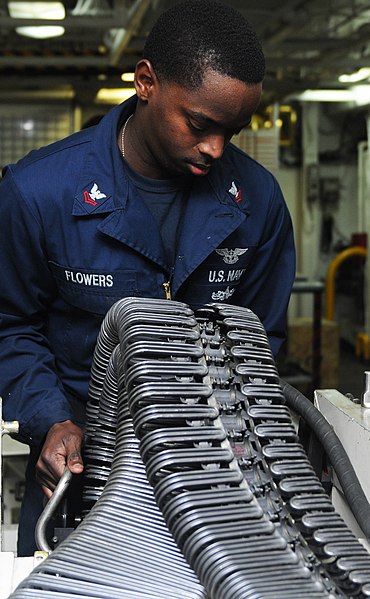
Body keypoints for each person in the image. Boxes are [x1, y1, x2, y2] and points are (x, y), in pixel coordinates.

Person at [0, 0, 295, 556]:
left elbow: (262, 345)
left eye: (232, 131)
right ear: (146, 82)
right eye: (201, 124)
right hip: (78, 472)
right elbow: (10, 325)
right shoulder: (39, 193)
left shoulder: (257, 202)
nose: (215, 149)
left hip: (207, 482)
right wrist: (50, 419)